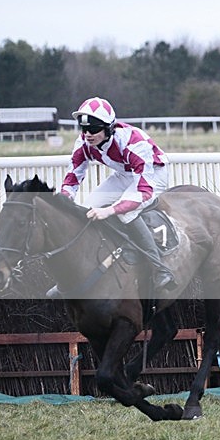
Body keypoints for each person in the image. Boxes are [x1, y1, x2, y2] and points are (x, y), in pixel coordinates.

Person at [54, 96, 176, 295]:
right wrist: (62, 201)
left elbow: (144, 190)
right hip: (124, 175)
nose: (87, 135)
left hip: (153, 175)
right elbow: (72, 178)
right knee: (87, 210)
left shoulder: (133, 143)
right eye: (83, 129)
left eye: (93, 129)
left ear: (108, 128)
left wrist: (110, 210)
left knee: (125, 212)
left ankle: (159, 268)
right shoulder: (84, 142)